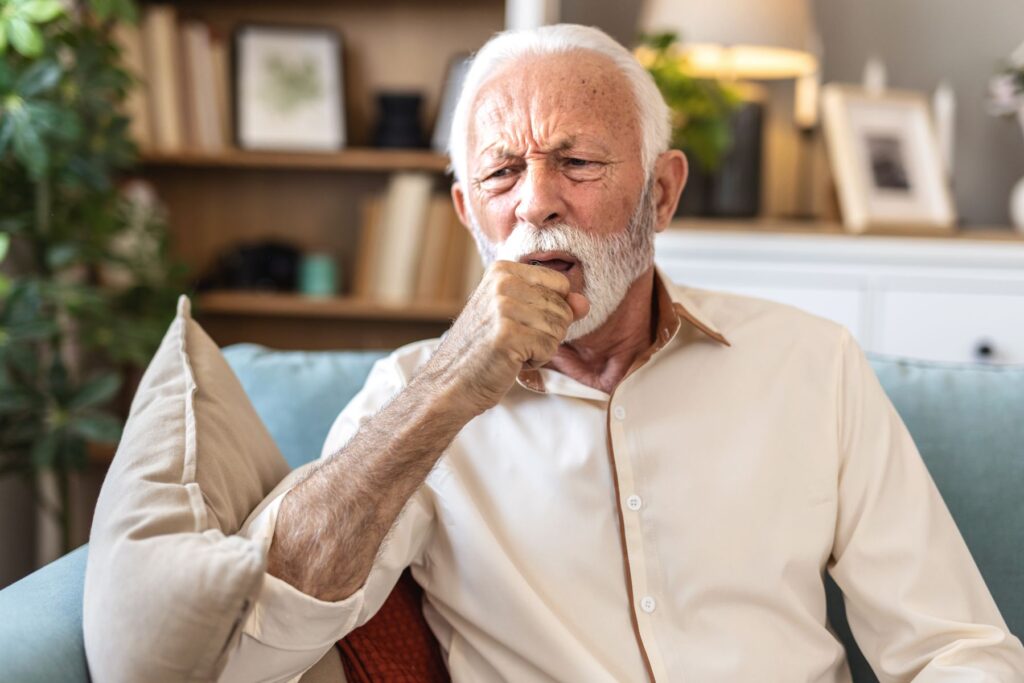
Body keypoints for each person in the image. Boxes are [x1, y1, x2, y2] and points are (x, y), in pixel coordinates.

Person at [222, 24, 1024, 682]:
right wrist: (451, 382)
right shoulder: (408, 396)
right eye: (503, 172)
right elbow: (261, 641)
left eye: (576, 162)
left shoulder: (813, 364)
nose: (536, 202)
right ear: (470, 215)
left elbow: (953, 647)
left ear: (662, 193)